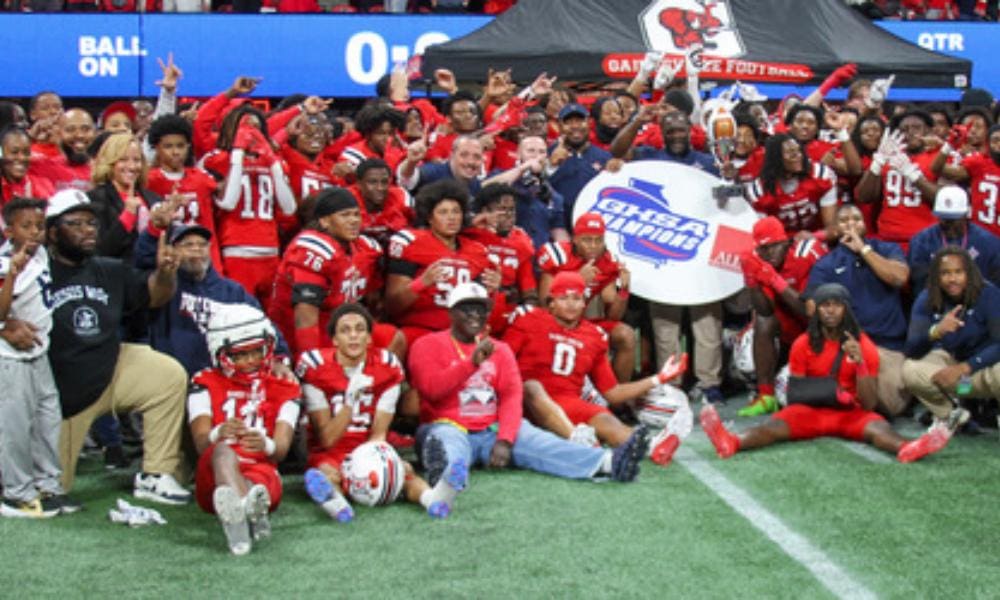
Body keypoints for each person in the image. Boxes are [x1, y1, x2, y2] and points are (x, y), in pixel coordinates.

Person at [410, 282, 649, 487]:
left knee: (539, 442)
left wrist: (505, 439)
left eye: (480, 309)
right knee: (448, 446)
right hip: (448, 425)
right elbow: (431, 391)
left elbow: (512, 396)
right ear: (451, 313)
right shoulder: (427, 344)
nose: (475, 315)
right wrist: (470, 364)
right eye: (466, 308)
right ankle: (445, 479)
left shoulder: (499, 349)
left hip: (491, 428)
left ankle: (608, 462)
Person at [43, 189, 190, 503]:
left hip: (108, 369)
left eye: (92, 223)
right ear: (53, 232)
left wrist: (165, 274)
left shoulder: (108, 269)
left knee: (166, 374)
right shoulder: (36, 271)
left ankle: (156, 474)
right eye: (76, 224)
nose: (88, 230)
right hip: (58, 396)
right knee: (50, 488)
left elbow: (155, 296)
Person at [700, 283, 951, 464]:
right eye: (825, 306)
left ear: (846, 310)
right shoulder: (802, 343)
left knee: (879, 429)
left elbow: (870, 403)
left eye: (836, 305)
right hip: (811, 411)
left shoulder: (863, 345)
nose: (830, 311)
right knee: (772, 427)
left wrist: (860, 363)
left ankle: (908, 447)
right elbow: (796, 393)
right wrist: (832, 394)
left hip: (850, 413)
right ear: (817, 310)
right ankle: (731, 441)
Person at [298, 303, 462, 521]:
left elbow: (378, 433)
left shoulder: (387, 366)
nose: (354, 336)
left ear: (369, 337)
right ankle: (337, 505)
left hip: (367, 445)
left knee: (403, 472)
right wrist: (350, 401)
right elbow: (327, 439)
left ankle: (432, 498)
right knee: (327, 473)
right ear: (334, 340)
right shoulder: (315, 367)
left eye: (359, 329)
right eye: (345, 330)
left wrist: (385, 462)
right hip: (330, 450)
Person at [505, 271, 687, 465]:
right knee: (532, 387)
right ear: (551, 302)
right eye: (563, 297)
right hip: (525, 402)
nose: (571, 304)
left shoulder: (594, 335)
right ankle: (579, 440)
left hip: (568, 402)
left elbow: (613, 393)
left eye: (576, 298)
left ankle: (650, 446)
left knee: (609, 423)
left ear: (584, 303)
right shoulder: (528, 319)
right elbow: (502, 360)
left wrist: (658, 378)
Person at [189, 305, 300, 555]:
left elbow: (280, 449)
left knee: (257, 489)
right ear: (220, 352)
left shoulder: (284, 386)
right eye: (240, 355)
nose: (250, 361)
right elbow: (200, 443)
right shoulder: (203, 382)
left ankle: (245, 506)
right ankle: (242, 522)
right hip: (214, 476)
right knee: (222, 452)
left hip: (262, 471)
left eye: (256, 351)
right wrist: (219, 432)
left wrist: (266, 444)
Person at [0, 198, 78, 518]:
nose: (34, 232)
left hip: (38, 350)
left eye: (39, 226)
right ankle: (15, 493)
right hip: (10, 356)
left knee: (47, 420)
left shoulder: (41, 253)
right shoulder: (5, 261)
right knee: (15, 426)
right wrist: (13, 275)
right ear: (8, 231)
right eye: (25, 226)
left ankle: (47, 485)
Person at [134, 222, 292, 378]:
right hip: (172, 378)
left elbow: (263, 324)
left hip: (221, 383)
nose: (196, 249)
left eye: (202, 245)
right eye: (188, 245)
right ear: (174, 250)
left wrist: (279, 358)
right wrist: (154, 231)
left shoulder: (232, 291)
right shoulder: (165, 286)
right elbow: (142, 260)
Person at [806, 203, 912, 417]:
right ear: (835, 229)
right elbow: (811, 307)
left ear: (865, 225)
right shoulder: (825, 264)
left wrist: (864, 250)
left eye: (856, 219)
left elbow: (899, 278)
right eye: (844, 221)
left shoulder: (886, 249)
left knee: (892, 406)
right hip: (847, 346)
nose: (851, 224)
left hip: (887, 347)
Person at [269, 187, 388, 357]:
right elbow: (305, 316)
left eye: (356, 214)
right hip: (302, 333)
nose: (353, 221)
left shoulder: (365, 248)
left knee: (391, 338)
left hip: (341, 328)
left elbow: (372, 300)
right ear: (324, 221)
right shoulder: (312, 251)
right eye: (345, 215)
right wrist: (312, 361)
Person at [200, 103, 297, 310]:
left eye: (255, 127)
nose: (250, 133)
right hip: (237, 250)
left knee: (272, 319)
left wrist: (271, 160)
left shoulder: (273, 162)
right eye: (245, 126)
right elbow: (228, 202)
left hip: (270, 251)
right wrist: (237, 153)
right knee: (240, 315)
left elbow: (289, 208)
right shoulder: (217, 159)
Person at [385, 179, 498, 347]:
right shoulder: (410, 243)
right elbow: (392, 306)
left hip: (461, 332)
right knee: (398, 340)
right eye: (443, 212)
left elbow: (483, 310)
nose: (451, 218)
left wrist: (492, 291)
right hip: (420, 327)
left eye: (456, 211)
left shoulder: (478, 251)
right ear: (429, 217)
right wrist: (422, 283)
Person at [737, 216, 827, 416]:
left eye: (773, 246)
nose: (768, 253)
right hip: (787, 329)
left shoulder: (807, 254)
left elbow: (811, 311)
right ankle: (765, 395)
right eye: (763, 249)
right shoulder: (757, 258)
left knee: (790, 397)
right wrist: (752, 281)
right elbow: (764, 311)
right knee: (747, 350)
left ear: (786, 241)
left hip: (821, 330)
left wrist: (774, 279)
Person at [903, 247, 1000, 429]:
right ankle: (953, 416)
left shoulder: (989, 294)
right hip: (960, 379)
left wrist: (967, 366)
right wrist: (936, 331)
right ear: (936, 277)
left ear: (969, 273)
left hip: (983, 370)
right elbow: (911, 349)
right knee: (911, 370)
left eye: (958, 272)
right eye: (945, 273)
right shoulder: (927, 299)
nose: (952, 279)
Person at [536, 212, 635, 383]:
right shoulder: (558, 254)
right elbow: (546, 306)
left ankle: (619, 402)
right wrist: (577, 280)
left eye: (599, 240)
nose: (593, 246)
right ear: (574, 238)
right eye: (587, 240)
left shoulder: (607, 262)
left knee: (625, 334)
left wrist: (624, 291)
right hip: (552, 324)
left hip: (580, 323)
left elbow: (613, 317)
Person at [856, 108, 941, 254]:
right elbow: (864, 196)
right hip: (888, 239)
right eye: (904, 129)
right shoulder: (889, 157)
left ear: (927, 131)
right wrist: (878, 162)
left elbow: (943, 198)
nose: (910, 133)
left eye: (916, 128)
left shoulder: (937, 157)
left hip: (924, 239)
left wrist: (913, 175)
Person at [145, 115, 221, 272]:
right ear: (157, 148)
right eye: (168, 146)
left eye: (180, 146)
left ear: (188, 146)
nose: (175, 152)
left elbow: (225, 198)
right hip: (169, 258)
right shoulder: (149, 181)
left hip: (204, 257)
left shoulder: (201, 178)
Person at [462, 183, 537, 335]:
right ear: (484, 212)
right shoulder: (469, 234)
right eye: (502, 209)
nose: (509, 215)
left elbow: (529, 293)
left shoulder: (521, 242)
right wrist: (473, 222)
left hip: (505, 310)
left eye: (511, 210)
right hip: (471, 303)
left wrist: (524, 312)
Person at [87, 132, 163, 262]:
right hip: (116, 275)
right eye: (123, 159)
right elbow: (102, 250)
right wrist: (128, 214)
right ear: (109, 162)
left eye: (137, 160)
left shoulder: (154, 198)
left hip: (150, 275)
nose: (132, 166)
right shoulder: (95, 199)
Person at [745, 133, 838, 239]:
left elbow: (833, 229)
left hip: (819, 239)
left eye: (798, 150)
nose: (798, 156)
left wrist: (814, 236)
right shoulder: (759, 191)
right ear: (775, 157)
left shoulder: (820, 175)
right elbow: (766, 237)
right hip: (782, 245)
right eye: (790, 152)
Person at [482, 135, 567, 250]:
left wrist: (567, 254)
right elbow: (484, 189)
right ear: (518, 154)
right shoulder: (501, 175)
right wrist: (522, 169)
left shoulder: (552, 195)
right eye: (530, 151)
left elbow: (558, 232)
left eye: (541, 152)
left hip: (538, 258)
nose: (536, 155)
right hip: (505, 253)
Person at [909, 186, 1000, 293]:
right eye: (944, 219)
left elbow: (995, 288)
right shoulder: (921, 241)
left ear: (966, 214)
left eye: (953, 219)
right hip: (936, 303)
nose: (949, 224)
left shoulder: (989, 243)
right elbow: (920, 285)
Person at [547, 103, 612, 228]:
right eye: (569, 122)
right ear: (559, 126)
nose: (575, 126)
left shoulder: (604, 157)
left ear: (589, 123)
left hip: (593, 224)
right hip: (558, 225)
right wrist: (550, 165)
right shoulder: (546, 153)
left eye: (580, 121)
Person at [929, 123, 1000, 238]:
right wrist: (949, 145)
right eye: (995, 140)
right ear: (988, 144)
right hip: (982, 236)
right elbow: (937, 168)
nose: (999, 144)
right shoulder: (979, 163)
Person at [347, 158, 415, 250]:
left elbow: (419, 227)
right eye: (372, 182)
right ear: (359, 184)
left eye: (384, 182)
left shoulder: (401, 197)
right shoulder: (346, 202)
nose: (380, 188)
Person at [397, 135, 485, 196]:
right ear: (452, 155)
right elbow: (406, 180)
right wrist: (411, 162)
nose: (470, 162)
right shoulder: (433, 173)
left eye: (477, 157)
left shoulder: (475, 185)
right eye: (464, 155)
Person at [0, 127, 55, 210]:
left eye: (26, 153)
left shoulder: (44, 185)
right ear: (1, 154)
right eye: (14, 152)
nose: (22, 158)